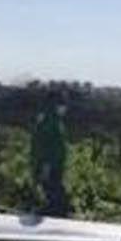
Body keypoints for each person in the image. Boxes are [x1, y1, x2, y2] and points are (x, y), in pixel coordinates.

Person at [30, 89, 72, 217]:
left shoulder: (52, 120)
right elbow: (47, 147)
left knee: (54, 188)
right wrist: (46, 165)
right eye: (62, 104)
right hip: (50, 164)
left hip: (54, 163)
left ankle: (58, 209)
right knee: (52, 188)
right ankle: (56, 211)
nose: (65, 108)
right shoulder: (50, 122)